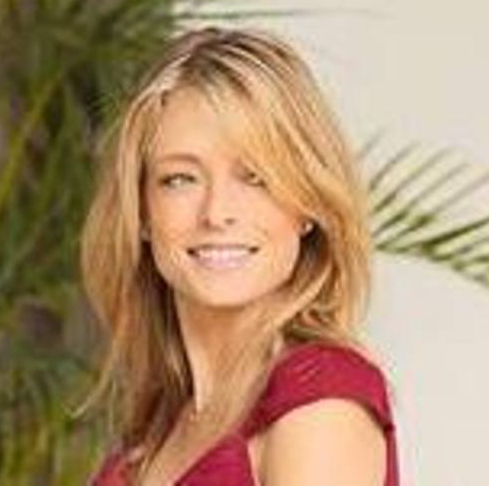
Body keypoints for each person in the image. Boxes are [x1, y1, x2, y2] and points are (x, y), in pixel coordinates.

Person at [81, 26, 399, 485]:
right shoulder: (158, 426)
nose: (217, 213)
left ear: (307, 203)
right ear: (142, 210)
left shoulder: (321, 401)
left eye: (254, 177)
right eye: (180, 179)